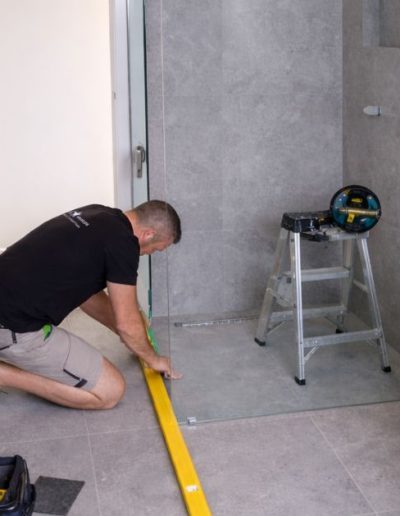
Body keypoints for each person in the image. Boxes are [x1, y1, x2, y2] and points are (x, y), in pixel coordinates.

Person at [0, 200, 181, 410]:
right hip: (12, 327)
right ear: (148, 234)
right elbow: (127, 323)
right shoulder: (124, 244)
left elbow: (89, 297)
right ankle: (4, 376)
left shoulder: (98, 214)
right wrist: (153, 358)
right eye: (156, 249)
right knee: (110, 391)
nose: (148, 253)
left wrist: (133, 338)